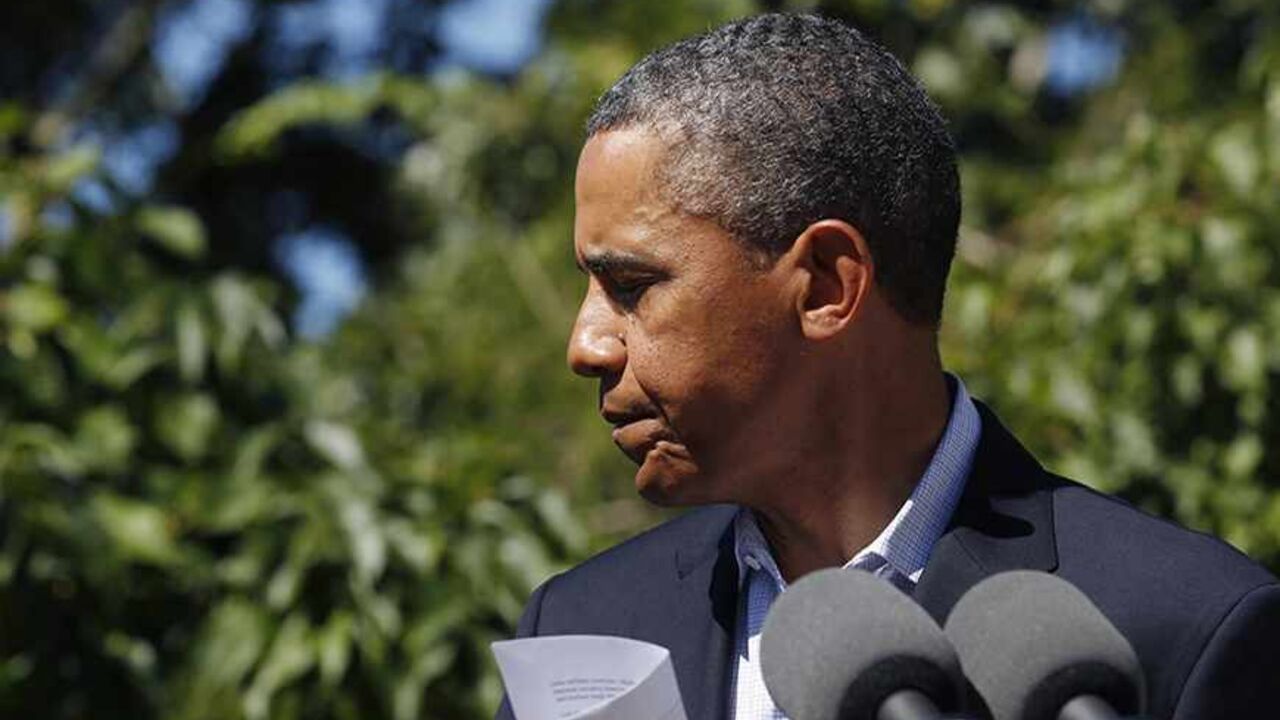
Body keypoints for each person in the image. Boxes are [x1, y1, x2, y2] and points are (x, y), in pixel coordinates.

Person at [497, 13, 1280, 720]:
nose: (585, 345)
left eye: (631, 286)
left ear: (829, 286)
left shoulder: (1184, 628)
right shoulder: (581, 628)